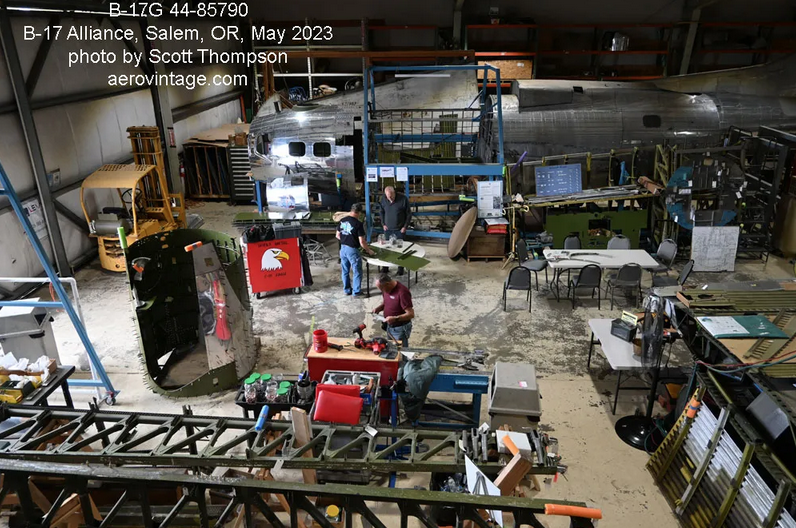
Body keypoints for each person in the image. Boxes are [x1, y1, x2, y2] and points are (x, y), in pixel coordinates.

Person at [336, 203, 374, 296]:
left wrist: (346, 239)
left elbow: (337, 235)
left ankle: (347, 290)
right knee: (357, 271)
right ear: (359, 213)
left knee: (345, 271)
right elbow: (362, 242)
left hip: (343, 249)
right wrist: (369, 250)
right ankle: (356, 292)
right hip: (352, 250)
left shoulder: (342, 220)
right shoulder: (358, 224)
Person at [372, 274, 414, 347]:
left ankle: (404, 359)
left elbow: (410, 314)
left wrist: (395, 318)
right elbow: (386, 302)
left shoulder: (402, 292)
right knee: (392, 348)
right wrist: (379, 308)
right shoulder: (386, 289)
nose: (381, 291)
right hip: (389, 325)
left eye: (381, 289)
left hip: (400, 328)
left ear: (387, 284)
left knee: (401, 350)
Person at [379, 186, 412, 275]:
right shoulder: (384, 199)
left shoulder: (403, 199)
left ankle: (400, 269)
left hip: (400, 229)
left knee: (400, 249)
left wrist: (405, 226)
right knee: (386, 249)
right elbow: (381, 212)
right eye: (387, 196)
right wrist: (383, 224)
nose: (389, 198)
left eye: (391, 196)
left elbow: (408, 214)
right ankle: (385, 268)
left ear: (394, 193)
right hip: (388, 229)